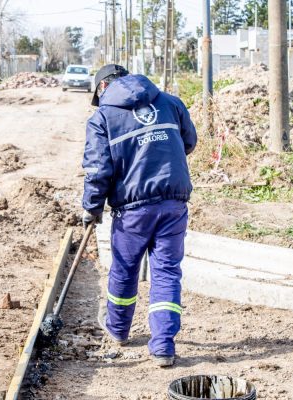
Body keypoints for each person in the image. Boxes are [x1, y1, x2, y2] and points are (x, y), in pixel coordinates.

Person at [81, 64, 197, 367]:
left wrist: (92, 207)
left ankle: (118, 330)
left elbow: (98, 170)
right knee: (167, 272)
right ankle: (162, 347)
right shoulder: (169, 103)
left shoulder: (103, 118)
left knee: (124, 269)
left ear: (102, 88)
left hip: (132, 210)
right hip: (174, 203)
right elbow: (188, 143)